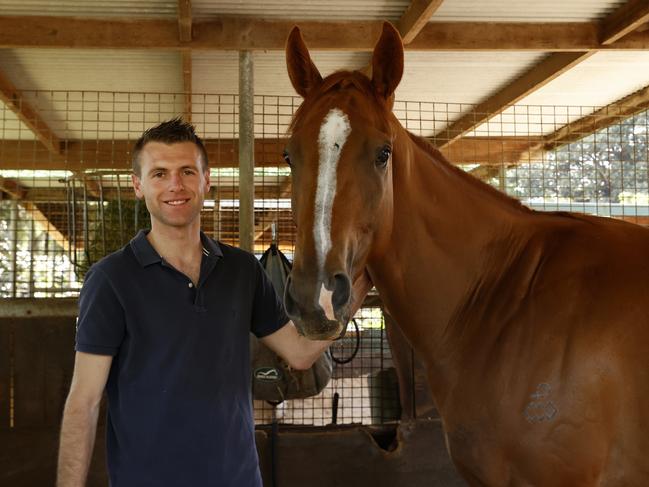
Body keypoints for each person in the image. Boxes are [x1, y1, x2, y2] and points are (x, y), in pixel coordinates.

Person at [56, 118, 334, 487]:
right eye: (159, 173)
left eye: (187, 171)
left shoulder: (242, 269)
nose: (175, 184)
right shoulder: (111, 279)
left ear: (206, 180)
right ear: (137, 185)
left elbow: (299, 353)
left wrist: (347, 299)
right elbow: (84, 401)